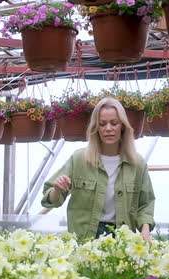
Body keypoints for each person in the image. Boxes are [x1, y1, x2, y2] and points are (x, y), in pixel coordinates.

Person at [41, 97, 155, 241]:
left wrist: (145, 231)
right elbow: (50, 199)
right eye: (102, 124)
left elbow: (145, 204)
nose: (108, 128)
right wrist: (57, 190)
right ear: (96, 128)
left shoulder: (137, 164)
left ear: (123, 126)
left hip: (123, 239)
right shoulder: (79, 159)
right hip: (85, 239)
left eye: (114, 123)